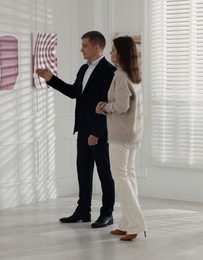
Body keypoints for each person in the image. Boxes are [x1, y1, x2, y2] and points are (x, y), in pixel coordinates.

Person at [36, 31, 116, 228]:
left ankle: (107, 214)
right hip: (82, 128)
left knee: (104, 173)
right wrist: (51, 79)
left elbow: (106, 103)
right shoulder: (83, 69)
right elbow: (74, 92)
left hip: (99, 132)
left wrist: (96, 133)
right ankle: (83, 210)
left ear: (96, 47)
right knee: (83, 171)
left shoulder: (109, 71)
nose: (81, 49)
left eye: (84, 45)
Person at [95, 36, 147, 241]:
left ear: (122, 52)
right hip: (133, 132)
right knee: (129, 175)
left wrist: (103, 107)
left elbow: (122, 106)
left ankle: (137, 223)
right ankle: (126, 223)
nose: (111, 53)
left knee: (120, 177)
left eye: (114, 50)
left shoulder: (121, 76)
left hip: (121, 133)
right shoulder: (134, 75)